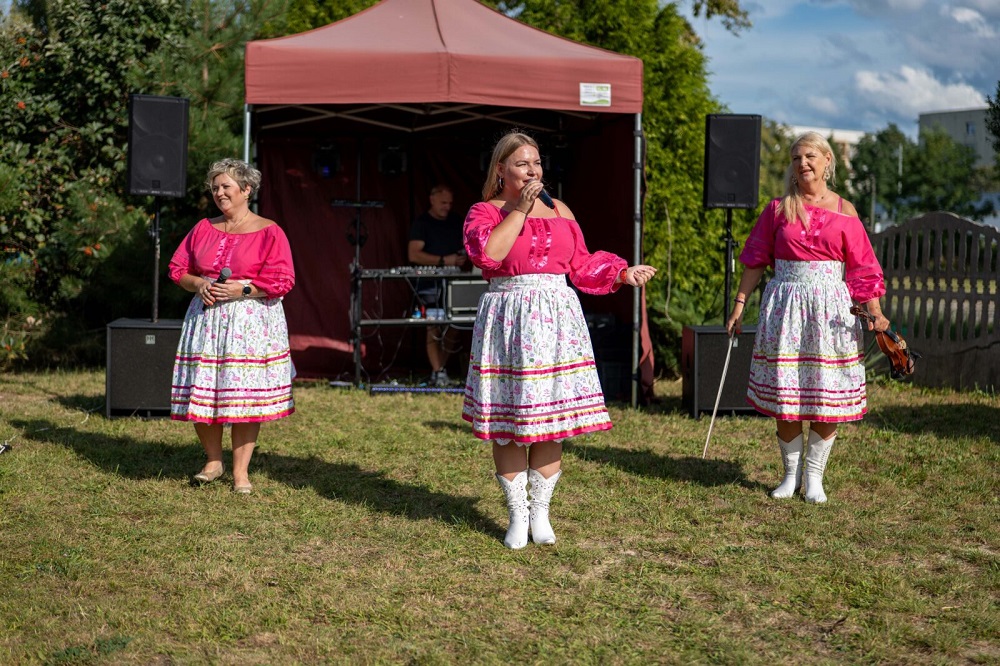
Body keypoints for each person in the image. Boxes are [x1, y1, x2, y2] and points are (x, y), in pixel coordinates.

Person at [462, 131, 656, 549]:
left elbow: (582, 265)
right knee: (511, 424)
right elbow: (488, 255)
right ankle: (517, 514)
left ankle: (541, 514)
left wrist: (623, 273)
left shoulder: (561, 209)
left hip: (555, 320)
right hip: (510, 317)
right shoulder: (485, 210)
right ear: (501, 170)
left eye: (536, 163)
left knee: (549, 422)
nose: (533, 171)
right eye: (521, 164)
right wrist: (521, 210)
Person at [725, 132, 889, 504]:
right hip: (785, 306)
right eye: (797, 158)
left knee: (825, 395)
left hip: (832, 309)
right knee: (787, 394)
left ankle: (814, 478)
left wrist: (876, 313)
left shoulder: (845, 210)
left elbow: (863, 268)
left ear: (827, 161)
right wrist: (739, 305)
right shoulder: (778, 209)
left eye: (811, 156)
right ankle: (789, 476)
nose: (803, 164)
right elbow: (754, 260)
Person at [168, 158, 296, 494]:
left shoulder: (270, 231)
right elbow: (178, 268)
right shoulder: (203, 228)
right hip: (206, 321)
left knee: (244, 397)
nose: (219, 193)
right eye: (215, 188)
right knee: (203, 389)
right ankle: (213, 461)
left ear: (246, 189)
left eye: (226, 186)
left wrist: (244, 288)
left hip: (248, 323)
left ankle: (241, 473)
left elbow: (283, 278)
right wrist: (199, 285)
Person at [408, 184, 469, 387]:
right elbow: (414, 254)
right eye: (443, 203)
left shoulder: (457, 221)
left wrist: (461, 258)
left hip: (456, 282)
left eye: (450, 203)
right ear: (432, 200)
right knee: (433, 326)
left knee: (454, 326)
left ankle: (440, 370)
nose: (447, 207)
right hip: (429, 283)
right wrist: (444, 260)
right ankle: (437, 371)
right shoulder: (422, 223)